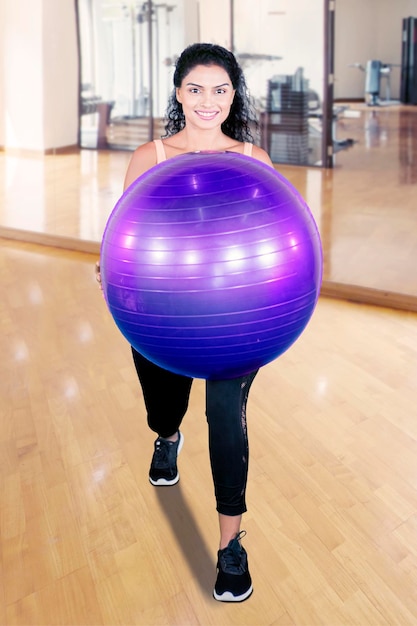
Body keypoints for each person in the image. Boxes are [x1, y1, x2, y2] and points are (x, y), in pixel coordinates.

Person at [97, 42, 274, 602]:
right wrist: (110, 268)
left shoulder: (253, 157)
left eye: (220, 90)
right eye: (195, 88)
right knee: (165, 406)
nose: (208, 101)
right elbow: (124, 233)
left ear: (232, 96)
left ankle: (230, 545)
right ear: (178, 91)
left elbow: (274, 241)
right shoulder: (149, 156)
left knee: (226, 417)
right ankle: (166, 437)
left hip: (237, 322)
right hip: (162, 319)